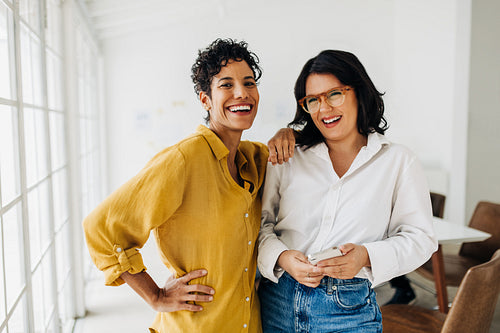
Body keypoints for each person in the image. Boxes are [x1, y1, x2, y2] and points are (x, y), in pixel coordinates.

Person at [83, 38, 292, 333]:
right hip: (195, 326)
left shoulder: (254, 158)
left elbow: (301, 157)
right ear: (205, 99)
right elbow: (101, 228)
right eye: (226, 85)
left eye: (249, 82)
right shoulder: (184, 159)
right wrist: (155, 296)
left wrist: (288, 131)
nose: (242, 93)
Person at [257, 50, 438, 332]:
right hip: (277, 301)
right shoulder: (288, 157)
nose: (324, 108)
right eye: (313, 100)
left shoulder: (398, 161)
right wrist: (281, 258)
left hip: (349, 310)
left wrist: (366, 256)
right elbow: (259, 225)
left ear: (359, 92)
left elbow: (421, 238)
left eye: (334, 94)